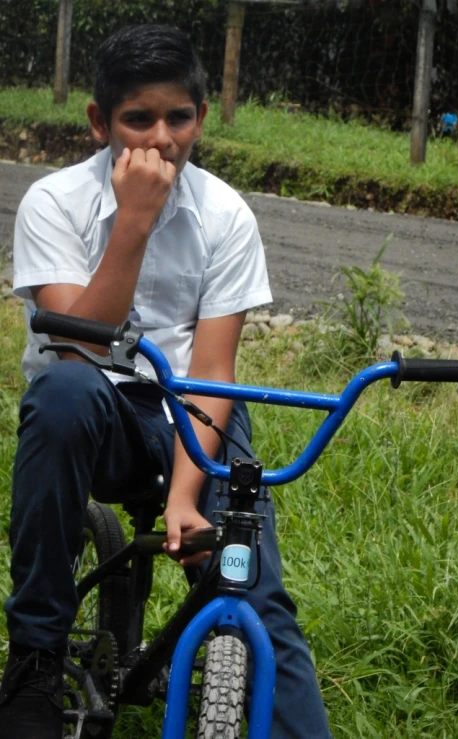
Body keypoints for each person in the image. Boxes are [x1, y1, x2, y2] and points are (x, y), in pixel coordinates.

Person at [0, 24, 331, 739]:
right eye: (137, 119)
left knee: (254, 586)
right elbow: (75, 349)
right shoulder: (54, 203)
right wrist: (134, 222)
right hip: (94, 410)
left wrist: (187, 495)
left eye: (178, 118)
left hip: (195, 413)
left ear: (202, 118)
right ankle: (33, 659)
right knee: (61, 393)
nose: (161, 139)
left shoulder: (225, 215)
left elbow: (214, 373)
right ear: (98, 123)